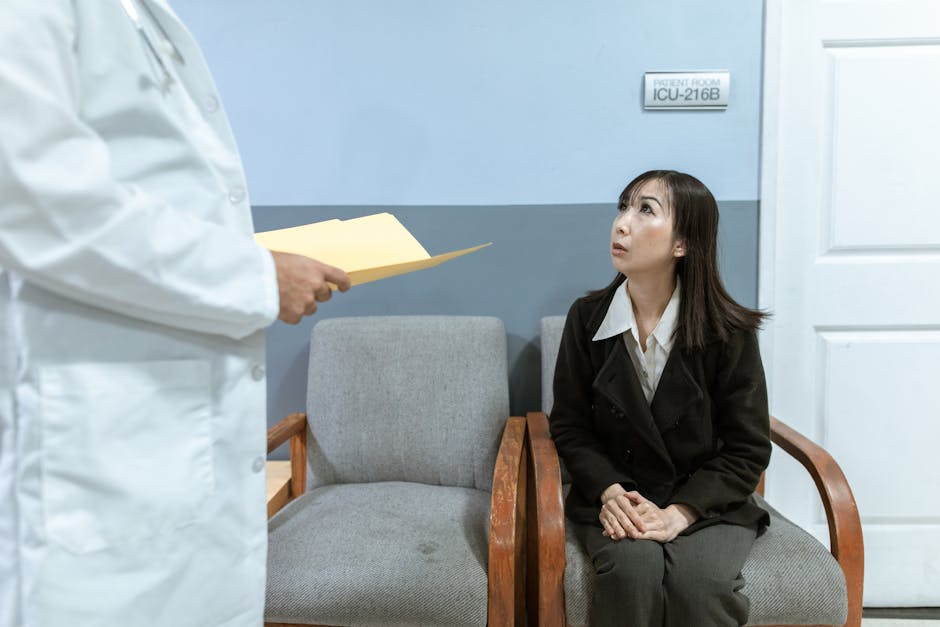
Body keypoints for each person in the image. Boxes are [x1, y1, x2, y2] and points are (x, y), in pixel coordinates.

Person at [0, 2, 350, 626]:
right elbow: (35, 200)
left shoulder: (141, 15)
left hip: (163, 421)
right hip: (101, 439)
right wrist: (256, 276)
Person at [549, 170, 772, 627]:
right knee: (631, 572)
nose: (622, 224)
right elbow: (570, 426)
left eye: (645, 210)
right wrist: (610, 490)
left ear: (682, 244)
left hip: (707, 503)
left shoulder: (729, 333)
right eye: (623, 207)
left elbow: (748, 448)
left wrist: (680, 513)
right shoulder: (586, 319)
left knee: (700, 583)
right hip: (619, 496)